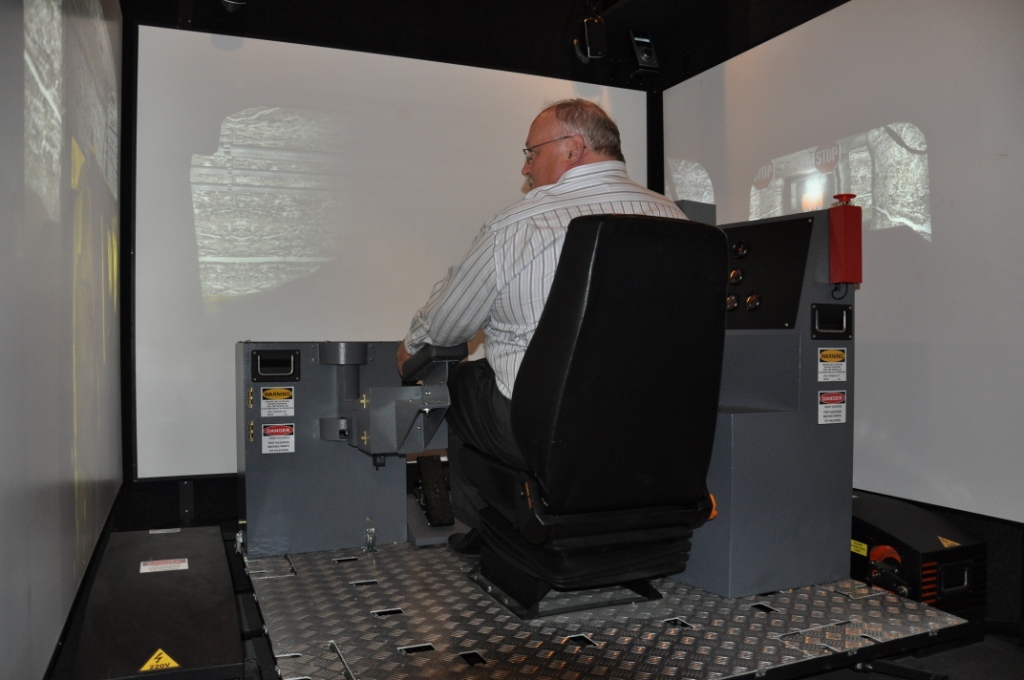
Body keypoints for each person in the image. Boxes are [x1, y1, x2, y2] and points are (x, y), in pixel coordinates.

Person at [396, 99, 687, 556]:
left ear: (573, 148)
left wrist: (413, 344)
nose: (525, 167)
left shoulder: (521, 223)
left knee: (457, 378)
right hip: (657, 426)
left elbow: (447, 326)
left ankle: (490, 526)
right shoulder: (675, 218)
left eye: (532, 152)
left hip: (546, 427)